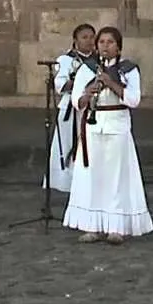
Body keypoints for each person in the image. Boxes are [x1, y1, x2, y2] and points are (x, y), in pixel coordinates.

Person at [65, 27, 153, 245]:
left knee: (116, 178)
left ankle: (116, 226)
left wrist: (111, 82)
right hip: (93, 127)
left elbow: (133, 99)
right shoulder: (87, 70)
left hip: (117, 125)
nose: (105, 46)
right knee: (93, 176)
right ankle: (92, 225)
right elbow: (76, 101)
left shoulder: (128, 70)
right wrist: (89, 92)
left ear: (119, 46)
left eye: (110, 42)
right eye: (102, 42)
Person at [44, 24, 97, 194]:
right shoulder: (66, 60)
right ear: (75, 40)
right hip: (71, 108)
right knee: (68, 143)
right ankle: (66, 181)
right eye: (84, 37)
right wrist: (81, 81)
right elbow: (59, 84)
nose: (89, 41)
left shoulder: (100, 60)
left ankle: (89, 179)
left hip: (93, 107)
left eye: (91, 37)